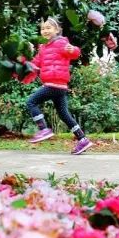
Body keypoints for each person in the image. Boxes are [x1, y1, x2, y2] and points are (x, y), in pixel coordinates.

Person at [25, 17, 92, 155]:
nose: (45, 30)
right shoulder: (42, 47)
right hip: (59, 87)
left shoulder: (61, 42)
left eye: (48, 28)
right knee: (63, 114)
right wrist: (23, 64)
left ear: (57, 30)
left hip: (53, 83)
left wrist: (73, 49)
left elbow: (74, 53)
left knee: (31, 102)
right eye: (43, 28)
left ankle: (43, 129)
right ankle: (82, 139)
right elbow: (36, 64)